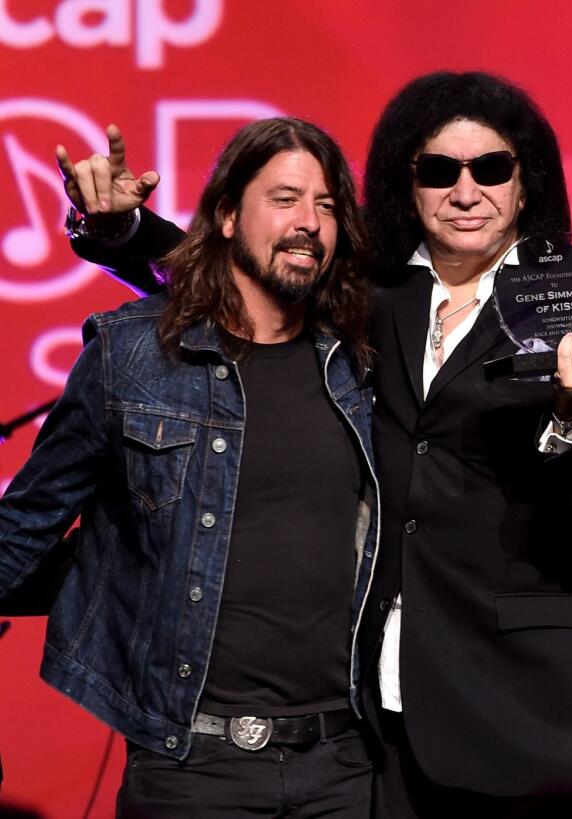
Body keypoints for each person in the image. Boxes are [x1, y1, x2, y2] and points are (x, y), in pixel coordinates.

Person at [61, 71, 572, 818]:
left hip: (545, 708)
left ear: (526, 181)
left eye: (492, 169)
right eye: (440, 171)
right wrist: (122, 229)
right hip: (391, 717)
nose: (466, 191)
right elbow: (239, 274)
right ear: (405, 186)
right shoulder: (371, 296)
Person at [2, 117, 378, 817]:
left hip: (343, 766)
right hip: (190, 767)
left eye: (327, 206)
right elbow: (23, 526)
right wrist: (119, 228)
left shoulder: (360, 361)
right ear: (229, 215)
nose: (309, 223)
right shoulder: (133, 354)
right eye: (287, 198)